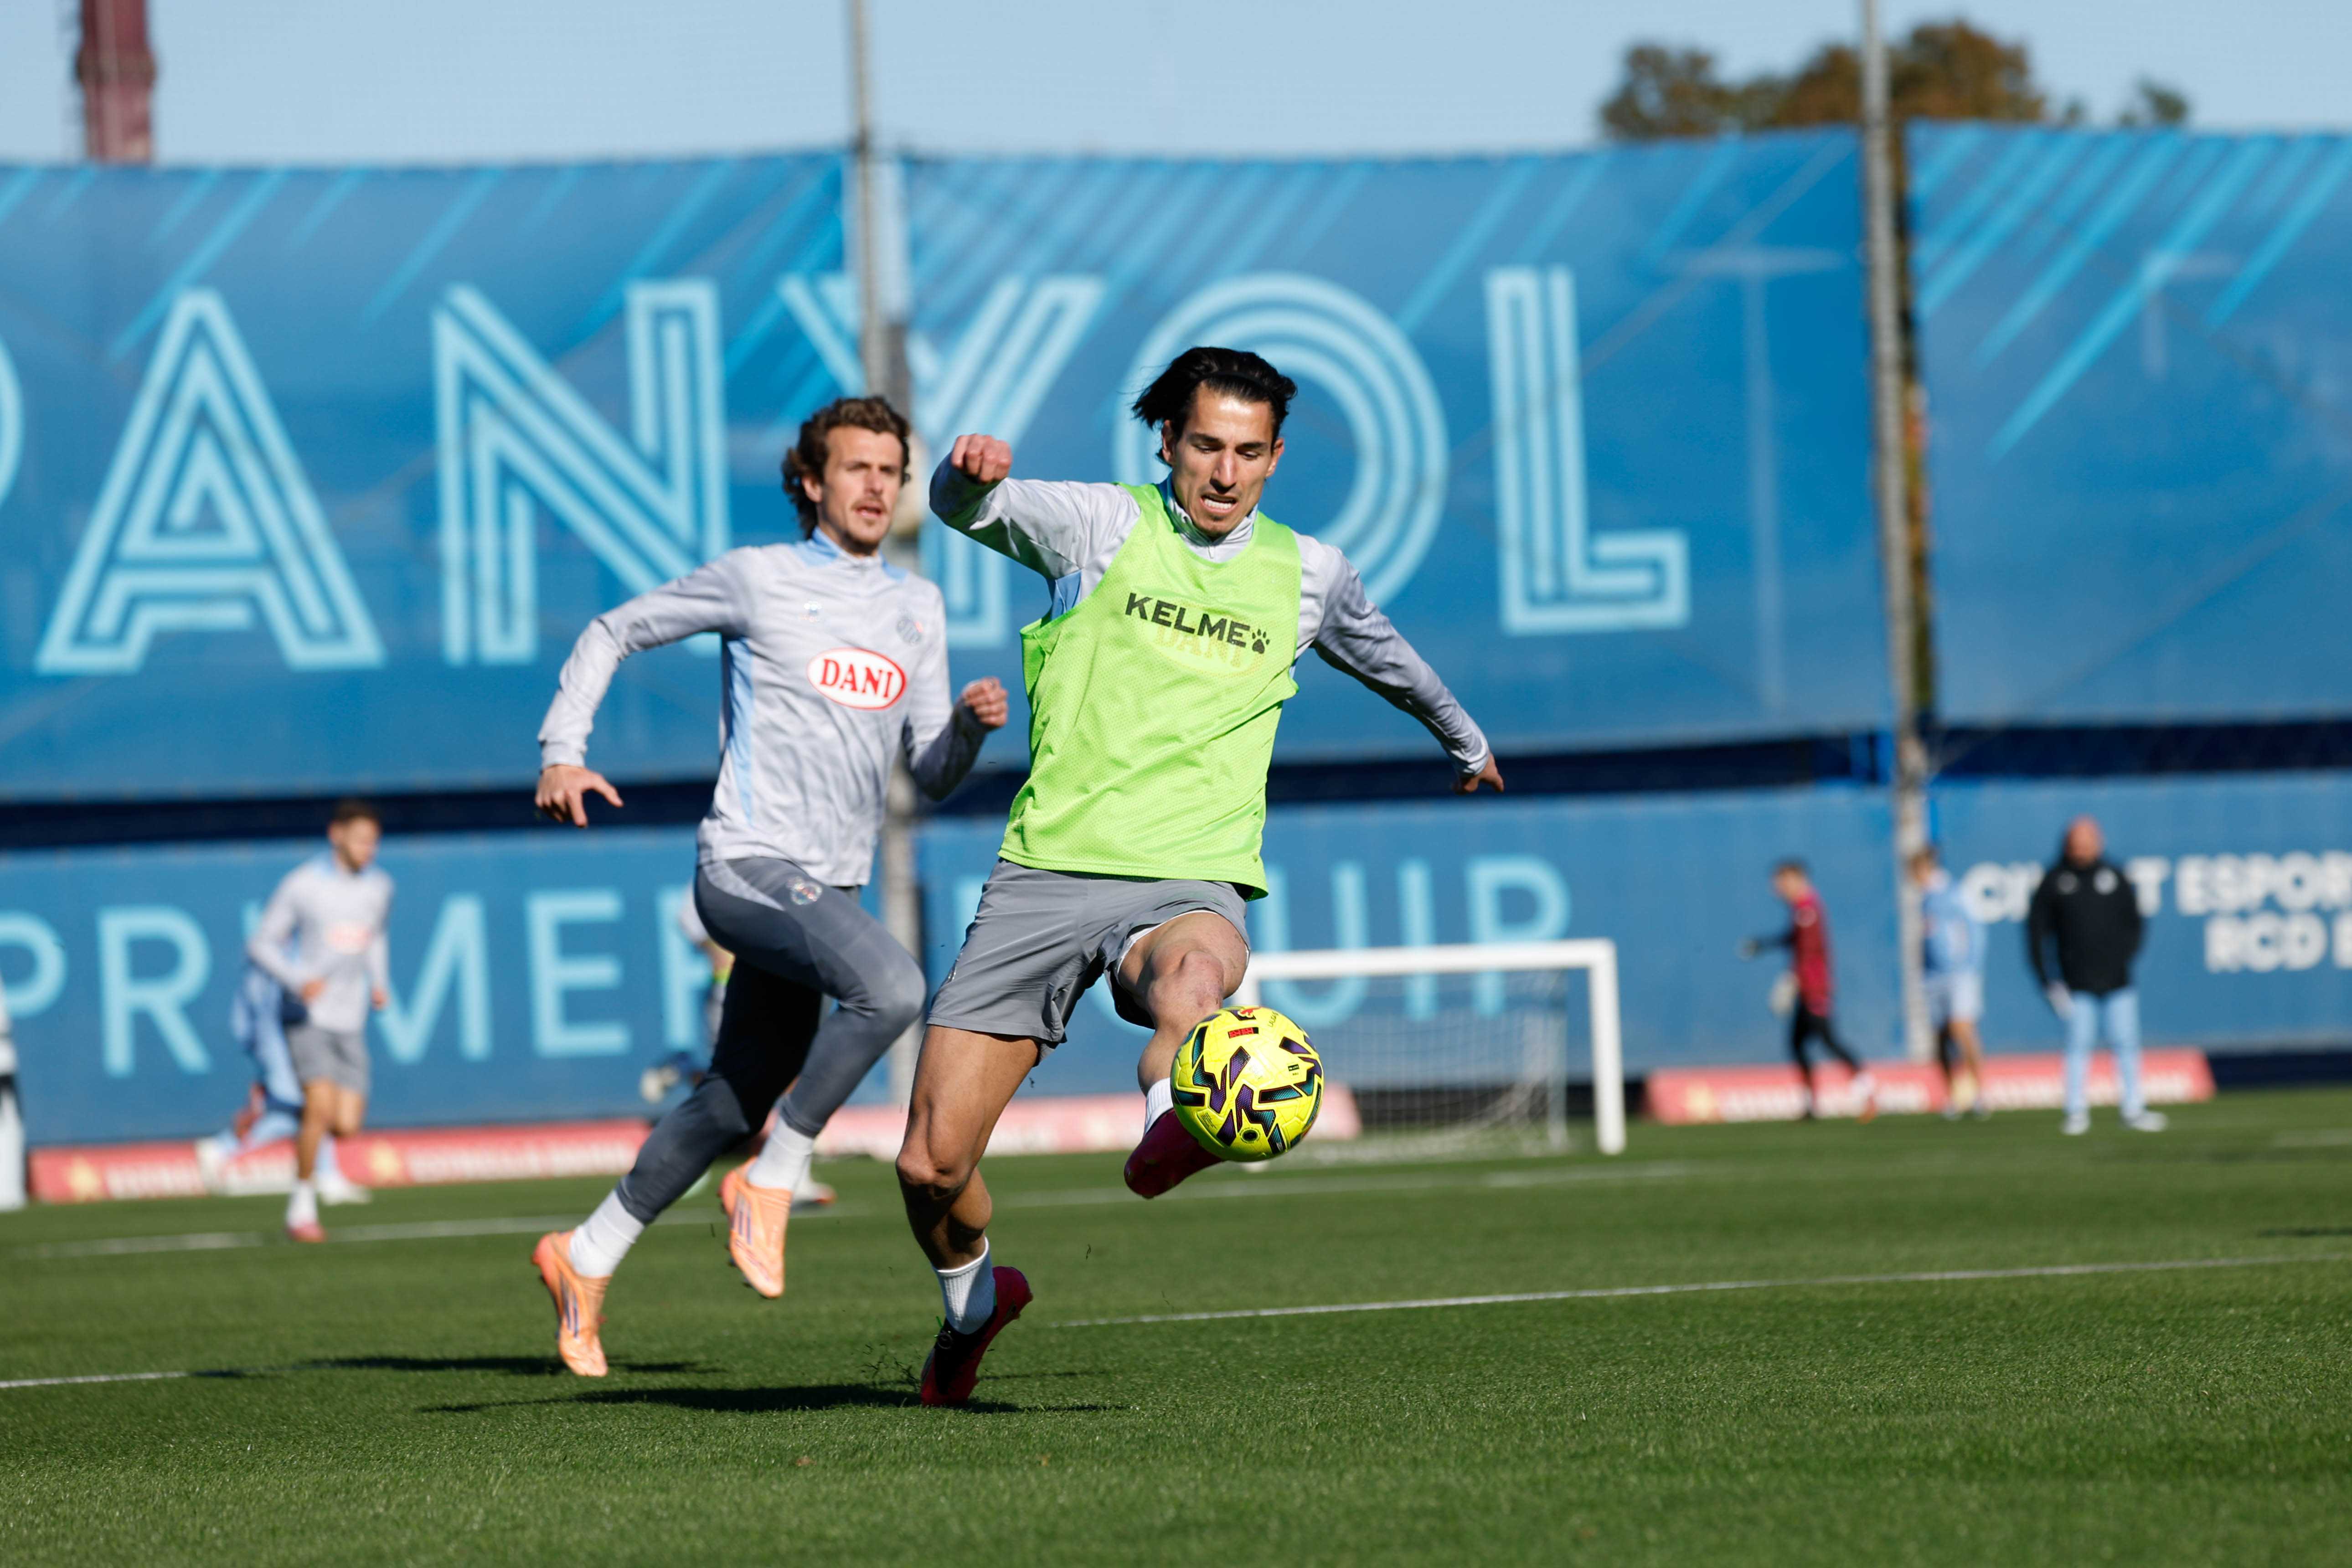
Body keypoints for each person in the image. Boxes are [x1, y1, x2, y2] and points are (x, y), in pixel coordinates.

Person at [895, 346, 1501, 1406]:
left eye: (1249, 453)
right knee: (930, 1166)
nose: (1225, 473)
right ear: (1167, 442)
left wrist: (1465, 738)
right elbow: (961, 509)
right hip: (1047, 870)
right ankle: (976, 1305)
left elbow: (1388, 656)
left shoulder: (1309, 573)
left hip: (1191, 874)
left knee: (1191, 982)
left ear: (1275, 459)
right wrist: (964, 474)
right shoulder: (1098, 525)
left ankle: (1171, 1122)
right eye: (1207, 446)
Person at [529, 395, 1007, 1377]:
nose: (876, 486)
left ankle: (586, 1255)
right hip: (746, 869)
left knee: (729, 1101)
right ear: (811, 482)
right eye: (857, 468)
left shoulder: (917, 606)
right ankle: (776, 1173)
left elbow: (930, 771)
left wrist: (966, 728)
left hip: (828, 893)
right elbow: (612, 629)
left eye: (890, 471)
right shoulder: (759, 578)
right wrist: (562, 751)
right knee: (896, 987)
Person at [243, 799, 393, 1242]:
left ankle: (278, 1108)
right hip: (307, 1014)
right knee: (320, 1106)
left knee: (345, 1123)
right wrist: (296, 978)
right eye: (360, 839)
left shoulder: (380, 887)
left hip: (351, 1017)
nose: (368, 849)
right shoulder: (303, 885)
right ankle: (301, 1209)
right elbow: (261, 943)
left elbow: (375, 936)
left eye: (374, 842)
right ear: (336, 835)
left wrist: (379, 981)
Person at [193, 935, 371, 1203]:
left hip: (283, 1050)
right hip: (288, 1050)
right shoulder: (279, 968)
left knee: (311, 1112)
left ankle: (327, 1175)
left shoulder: (263, 969)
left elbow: (243, 1024)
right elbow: (282, 1012)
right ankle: (223, 1147)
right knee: (312, 1108)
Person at [2028, 815, 2163, 1136]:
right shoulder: (2055, 881)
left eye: (2088, 840)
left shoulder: (2114, 876)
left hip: (2118, 981)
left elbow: (2135, 924)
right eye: (2077, 840)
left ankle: (2133, 1108)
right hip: (2076, 983)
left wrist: (2123, 958)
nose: (2082, 847)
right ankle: (2076, 1111)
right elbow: (2036, 933)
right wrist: (2049, 981)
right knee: (2078, 1045)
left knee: (2126, 1043)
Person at [1742, 859, 1877, 1121]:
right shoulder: (1800, 910)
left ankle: (1867, 1093)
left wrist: (1792, 980)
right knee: (1797, 1044)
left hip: (1815, 988)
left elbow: (1809, 951)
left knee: (1829, 1041)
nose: (1778, 888)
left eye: (1782, 882)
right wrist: (1764, 945)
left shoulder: (1808, 909)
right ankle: (1810, 1104)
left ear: (1796, 879)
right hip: (1806, 988)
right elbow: (1794, 940)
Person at [1914, 845, 1990, 1120]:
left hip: (1960, 974)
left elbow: (1975, 931)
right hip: (1934, 978)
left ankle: (1979, 1093)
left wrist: (1969, 966)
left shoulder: (1955, 892)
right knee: (1941, 1037)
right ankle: (1953, 1096)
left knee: (1962, 1028)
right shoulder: (1925, 899)